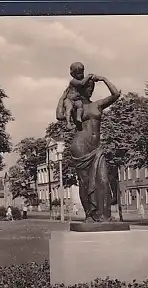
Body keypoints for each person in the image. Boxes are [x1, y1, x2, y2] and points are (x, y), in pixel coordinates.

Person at [56, 74, 121, 222]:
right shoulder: (74, 106)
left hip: (96, 147)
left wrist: (104, 79)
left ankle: (105, 216)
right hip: (80, 145)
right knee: (85, 182)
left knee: (103, 180)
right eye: (88, 87)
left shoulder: (97, 104)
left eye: (92, 88)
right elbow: (59, 115)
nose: (90, 90)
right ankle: (89, 215)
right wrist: (65, 93)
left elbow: (116, 94)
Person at [63, 62, 95, 130]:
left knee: (80, 106)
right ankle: (68, 123)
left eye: (82, 73)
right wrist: (88, 76)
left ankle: (78, 118)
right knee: (69, 108)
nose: (81, 75)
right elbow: (82, 83)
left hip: (77, 100)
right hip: (70, 100)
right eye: (79, 73)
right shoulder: (73, 81)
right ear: (73, 74)